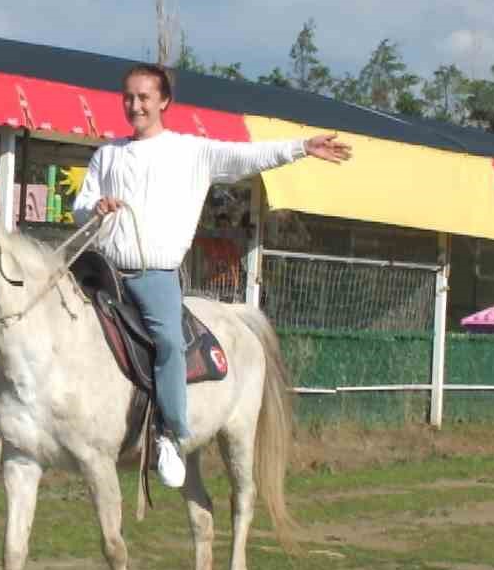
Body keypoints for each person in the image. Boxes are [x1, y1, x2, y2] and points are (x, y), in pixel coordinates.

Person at [72, 63, 351, 489]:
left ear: (164, 101)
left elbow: (247, 157)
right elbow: (80, 208)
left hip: (153, 275)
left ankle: (171, 433)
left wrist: (301, 147)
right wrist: (94, 209)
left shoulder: (192, 152)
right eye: (129, 97)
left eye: (144, 97)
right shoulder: (106, 155)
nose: (135, 105)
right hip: (102, 270)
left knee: (168, 341)